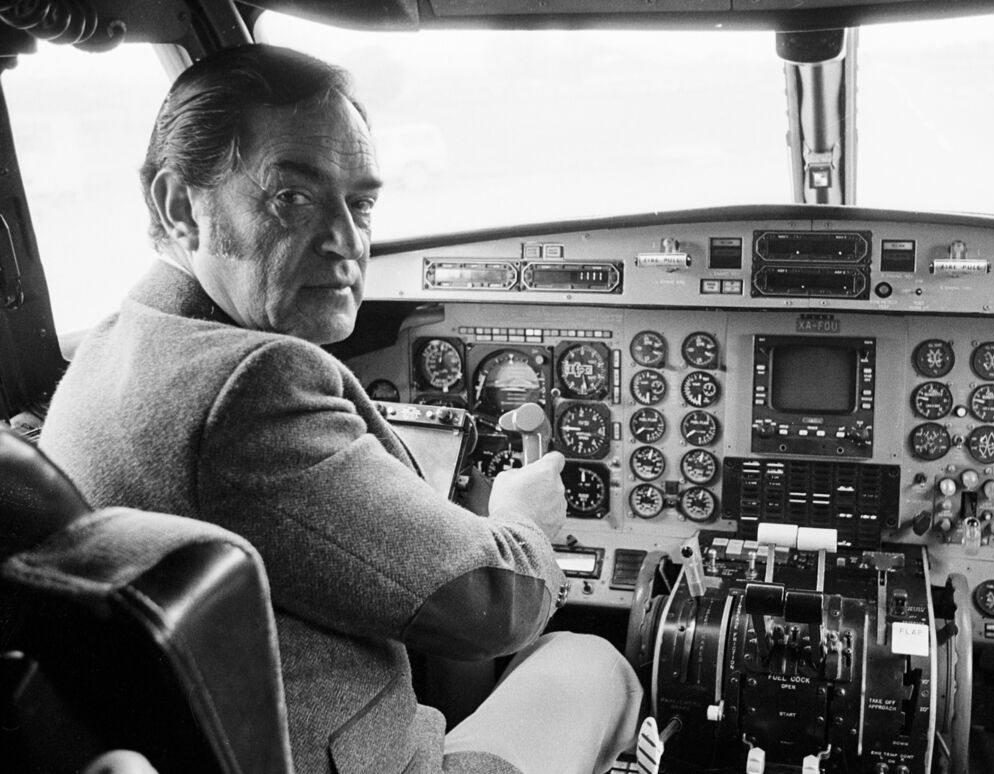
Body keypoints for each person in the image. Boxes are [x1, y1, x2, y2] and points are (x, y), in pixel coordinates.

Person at [38, 44, 641, 774]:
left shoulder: (110, 346)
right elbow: (494, 607)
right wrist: (521, 520)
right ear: (176, 205)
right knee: (588, 659)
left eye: (360, 203)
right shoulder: (256, 386)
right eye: (292, 198)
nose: (347, 241)